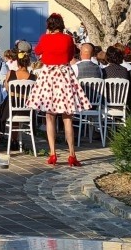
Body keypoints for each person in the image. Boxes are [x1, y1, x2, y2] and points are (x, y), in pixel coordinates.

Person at [28, 12, 90, 167]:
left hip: (49, 76)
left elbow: (37, 52)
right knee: (67, 117)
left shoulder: (45, 38)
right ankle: (72, 154)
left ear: (49, 25)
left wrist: (47, 36)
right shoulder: (68, 39)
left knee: (50, 116)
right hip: (64, 75)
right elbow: (70, 56)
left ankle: (53, 153)